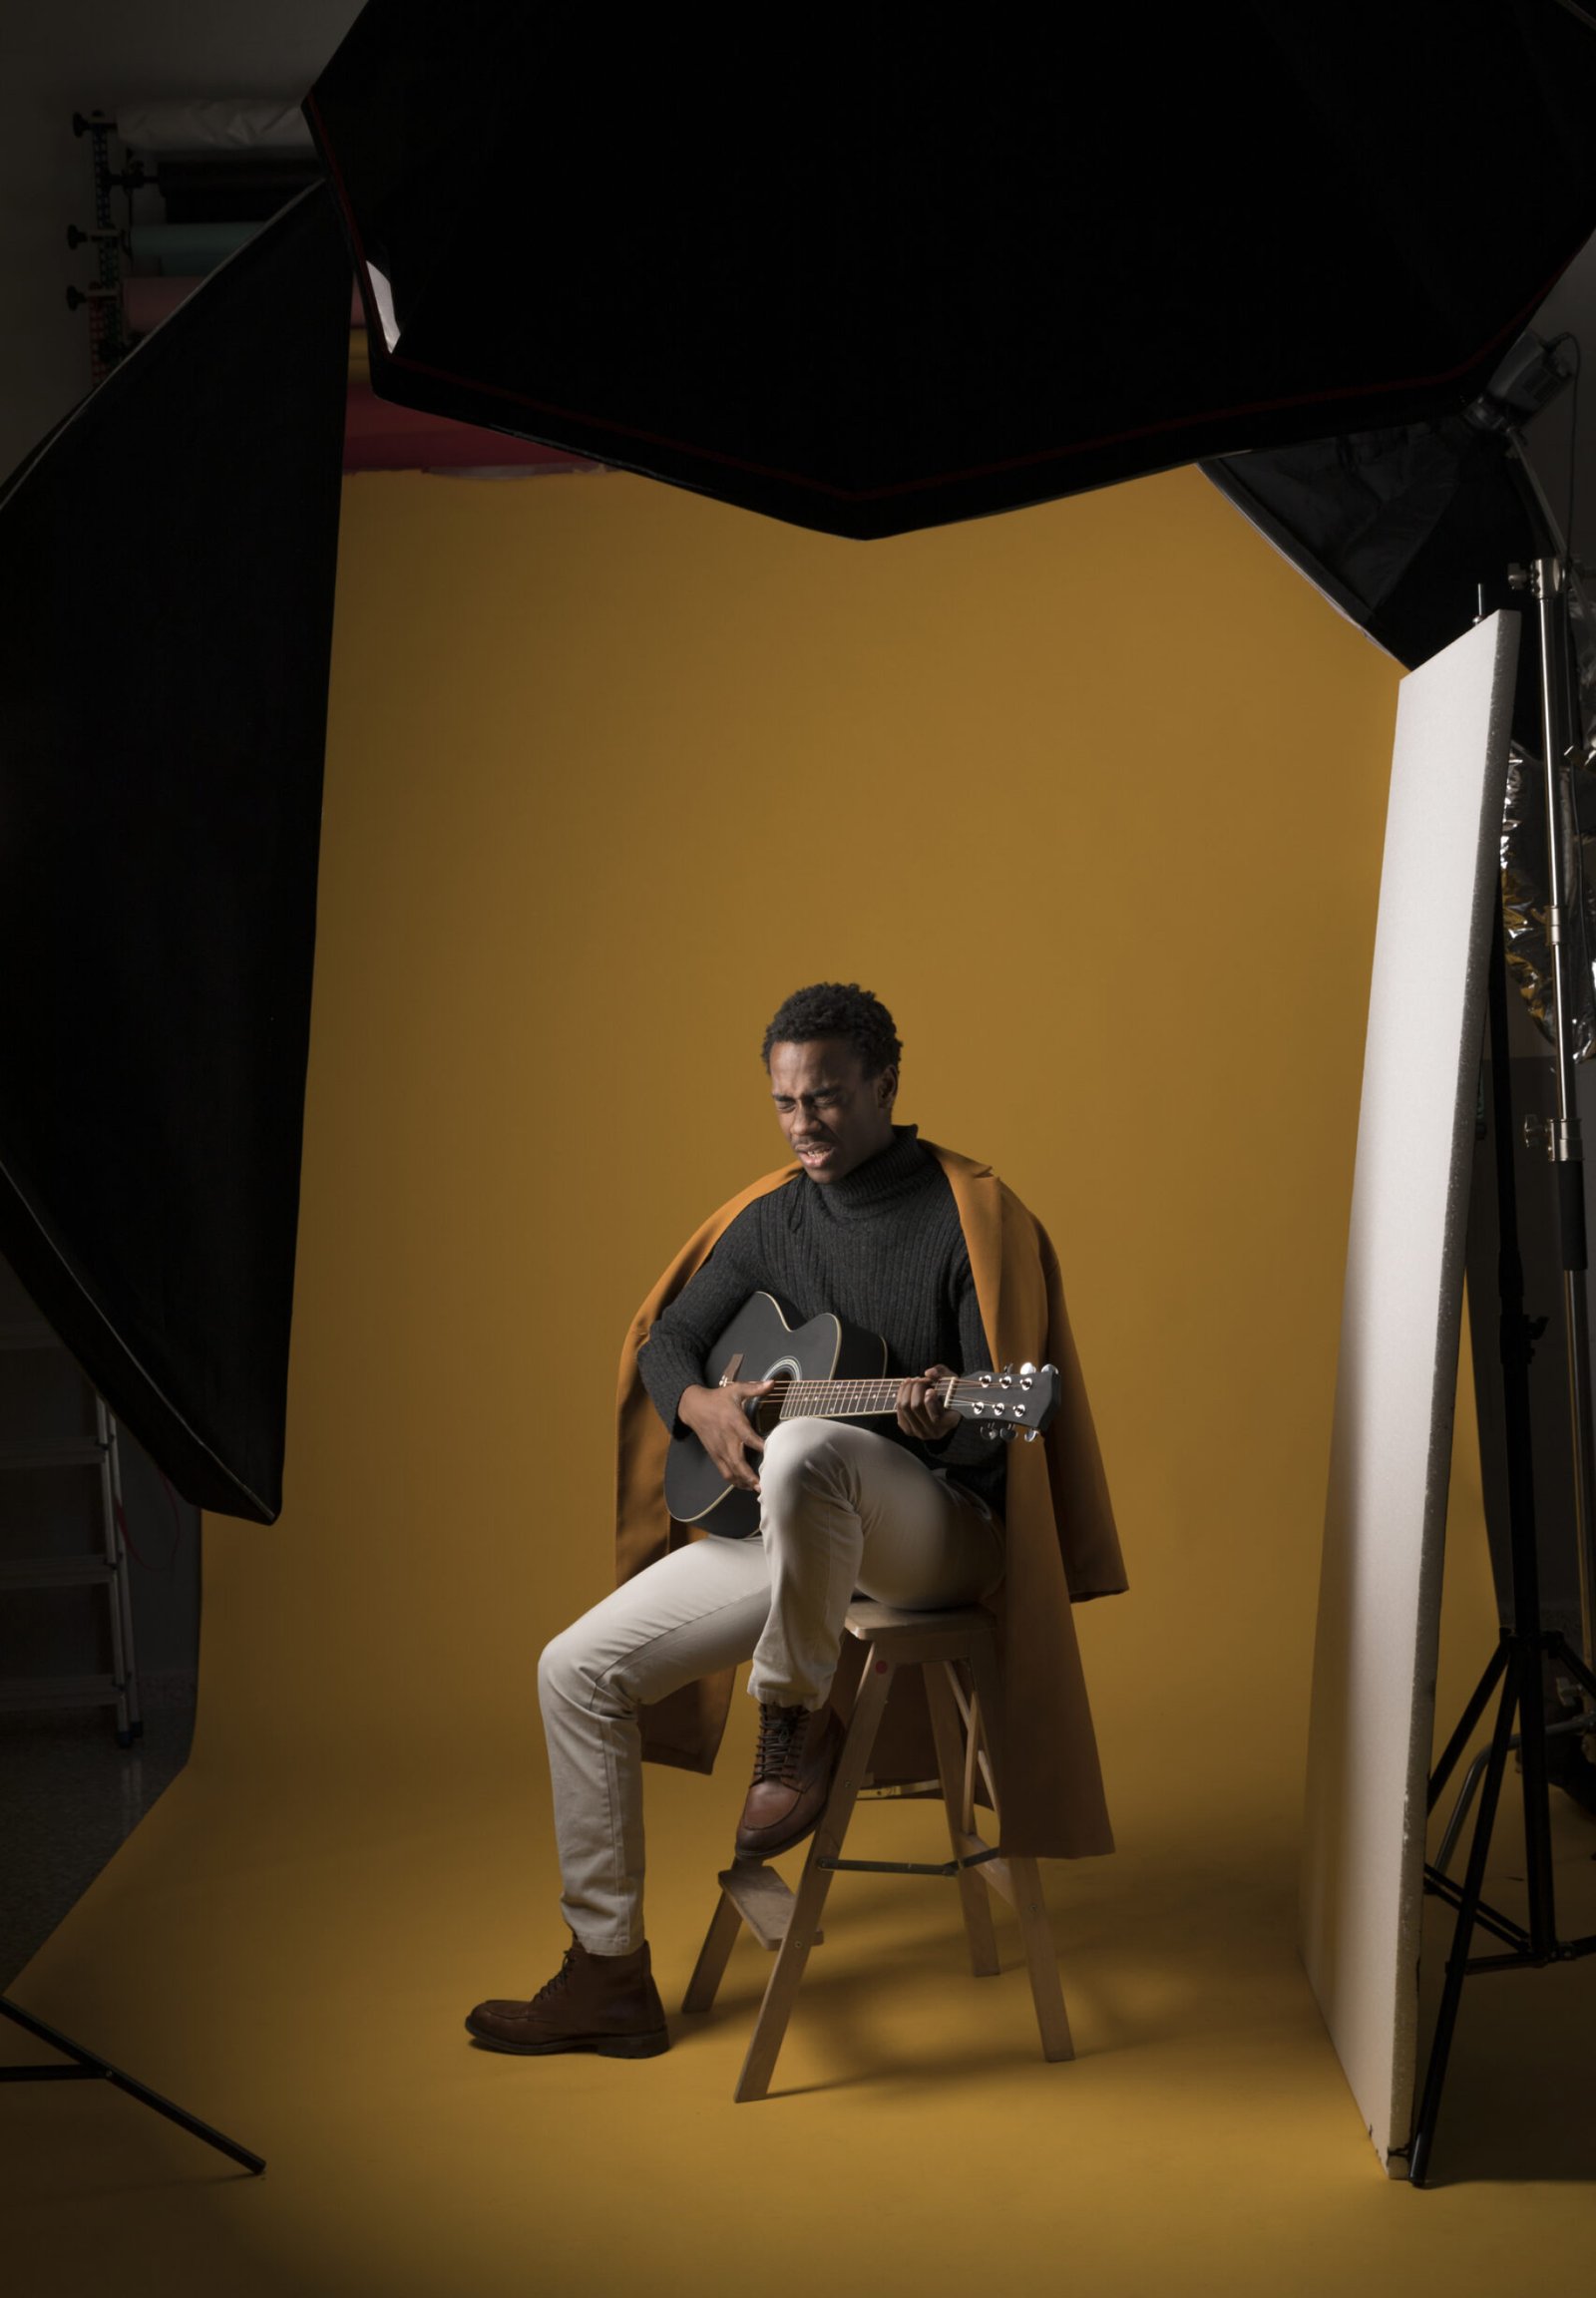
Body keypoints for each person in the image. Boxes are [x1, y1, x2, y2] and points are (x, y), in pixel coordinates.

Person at [466, 981, 1123, 2060]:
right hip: (798, 1537)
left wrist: (943, 1417)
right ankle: (608, 1974)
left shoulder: (964, 1217)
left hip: (934, 1533)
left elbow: (999, 1436)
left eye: (825, 1098)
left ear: (884, 1085)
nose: (803, 1124)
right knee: (571, 1669)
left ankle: (791, 1725)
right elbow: (666, 1342)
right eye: (784, 1103)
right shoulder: (774, 1221)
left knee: (816, 1447)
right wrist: (701, 1403)